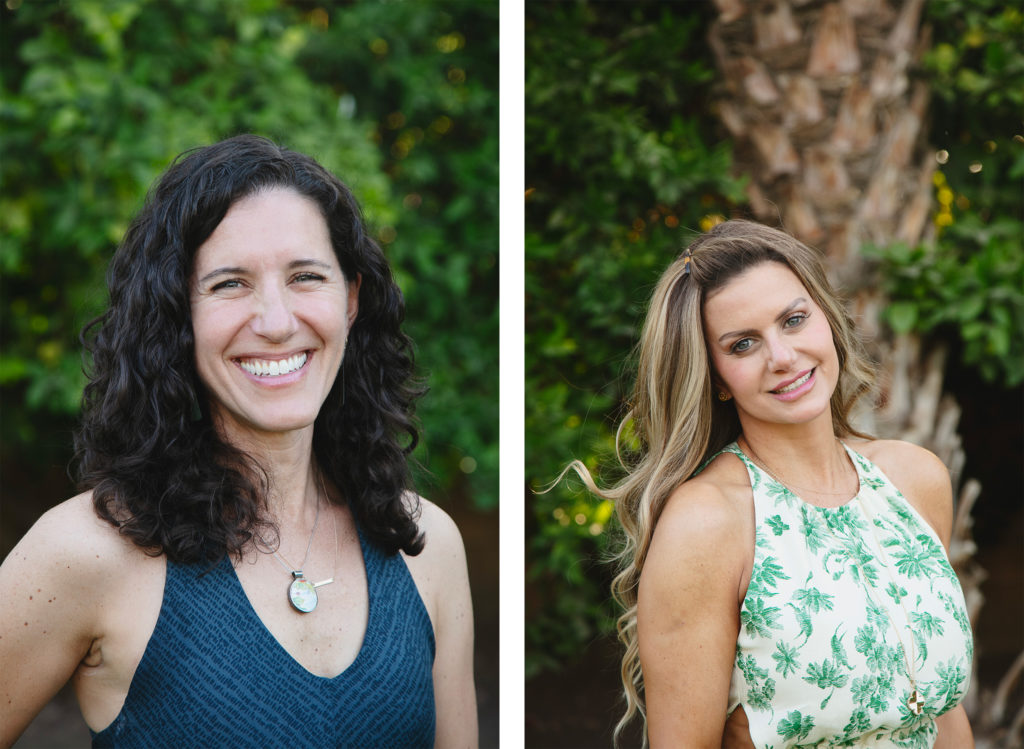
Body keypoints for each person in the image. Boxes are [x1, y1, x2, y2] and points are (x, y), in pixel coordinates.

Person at [0, 135, 477, 748]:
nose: (277, 322)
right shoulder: (86, 552)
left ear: (351, 300)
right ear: (178, 313)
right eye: (230, 284)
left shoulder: (427, 546)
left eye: (306, 276)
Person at [568, 220, 973, 747]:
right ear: (714, 377)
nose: (782, 357)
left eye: (795, 320)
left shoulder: (915, 479)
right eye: (743, 345)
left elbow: (942, 712)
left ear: (826, 319)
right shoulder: (708, 523)